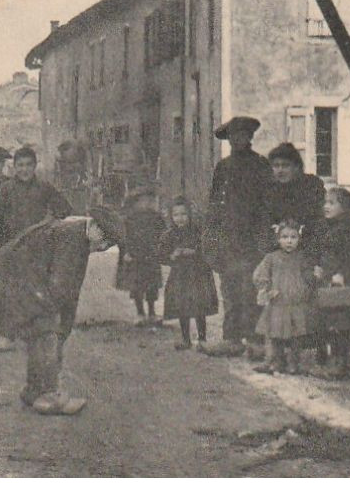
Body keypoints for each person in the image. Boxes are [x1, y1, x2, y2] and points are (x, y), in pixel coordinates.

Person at [0, 208, 120, 416]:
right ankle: (47, 395)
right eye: (104, 239)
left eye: (109, 244)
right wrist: (60, 326)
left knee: (44, 331)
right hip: (19, 277)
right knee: (46, 333)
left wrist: (65, 323)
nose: (103, 246)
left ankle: (33, 390)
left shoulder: (75, 233)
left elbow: (70, 287)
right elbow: (60, 287)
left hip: (23, 276)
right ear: (94, 227)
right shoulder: (72, 239)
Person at [201, 116, 271, 358]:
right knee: (230, 289)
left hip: (253, 238)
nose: (239, 140)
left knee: (252, 289)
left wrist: (264, 239)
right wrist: (212, 234)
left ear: (250, 137)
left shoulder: (261, 165)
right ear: (229, 139)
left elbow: (266, 205)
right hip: (229, 238)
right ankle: (231, 339)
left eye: (243, 135)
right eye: (234, 136)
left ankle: (256, 340)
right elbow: (215, 203)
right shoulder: (224, 167)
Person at [252, 218, 315, 374]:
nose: (289, 241)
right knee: (274, 333)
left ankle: (294, 363)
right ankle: (274, 361)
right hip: (277, 302)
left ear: (299, 239)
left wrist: (308, 285)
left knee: (295, 335)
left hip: (295, 302)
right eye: (285, 237)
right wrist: (265, 289)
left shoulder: (302, 258)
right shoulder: (271, 258)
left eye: (293, 237)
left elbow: (309, 277)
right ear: (278, 239)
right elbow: (261, 275)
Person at [313, 186, 350, 378]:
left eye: (332, 203)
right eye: (325, 202)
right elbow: (317, 250)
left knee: (339, 321)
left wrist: (343, 273)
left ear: (346, 207)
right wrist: (317, 266)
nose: (326, 206)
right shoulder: (323, 226)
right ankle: (322, 356)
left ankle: (339, 361)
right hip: (325, 279)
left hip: (341, 282)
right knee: (322, 318)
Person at [160, 197, 219, 350]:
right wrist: (172, 255)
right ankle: (186, 339)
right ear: (171, 217)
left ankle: (202, 338)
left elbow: (207, 249)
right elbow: (162, 254)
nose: (180, 218)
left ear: (190, 215)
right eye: (176, 215)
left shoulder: (198, 232)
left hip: (197, 274)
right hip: (180, 275)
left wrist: (193, 251)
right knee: (182, 306)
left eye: (184, 214)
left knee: (199, 305)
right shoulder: (169, 234)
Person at [0, 146, 71, 251]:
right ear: (14, 166)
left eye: (29, 165)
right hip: (11, 245)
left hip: (38, 245)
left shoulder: (44, 187)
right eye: (20, 165)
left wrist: (50, 221)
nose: (24, 169)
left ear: (35, 165)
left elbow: (65, 208)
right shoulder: (5, 189)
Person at [260, 143, 325, 252]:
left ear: (296, 167)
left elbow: (318, 222)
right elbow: (264, 224)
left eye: (285, 165)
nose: (280, 170)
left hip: (307, 246)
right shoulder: (269, 190)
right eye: (276, 166)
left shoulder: (311, 186)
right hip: (277, 248)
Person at [116, 187, 165, 326]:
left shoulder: (157, 217)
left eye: (151, 199)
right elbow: (124, 237)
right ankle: (140, 313)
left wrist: (162, 249)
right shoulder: (131, 219)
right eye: (145, 200)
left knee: (152, 286)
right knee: (137, 286)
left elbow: (163, 234)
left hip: (152, 256)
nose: (149, 202)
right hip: (136, 257)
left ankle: (152, 313)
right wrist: (126, 252)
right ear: (137, 202)